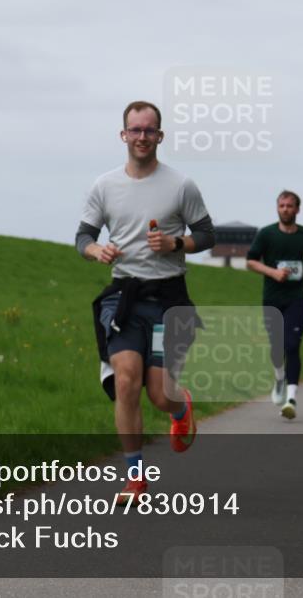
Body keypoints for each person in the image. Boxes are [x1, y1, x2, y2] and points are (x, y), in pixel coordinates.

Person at [76, 100, 216, 503]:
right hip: (124, 297)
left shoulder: (181, 185)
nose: (142, 137)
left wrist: (176, 243)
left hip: (169, 299)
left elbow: (207, 235)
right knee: (125, 381)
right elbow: (83, 237)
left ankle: (180, 407)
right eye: (135, 130)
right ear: (123, 135)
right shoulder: (104, 186)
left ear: (160, 135)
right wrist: (96, 251)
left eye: (149, 130)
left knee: (159, 394)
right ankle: (135, 477)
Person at [246, 190, 303, 420]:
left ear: (297, 209)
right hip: (272, 298)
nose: (285, 209)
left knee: (292, 345)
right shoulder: (267, 234)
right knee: (276, 348)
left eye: (289, 206)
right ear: (277, 208)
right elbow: (251, 261)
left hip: (296, 298)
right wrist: (273, 272)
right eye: (281, 205)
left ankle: (291, 399)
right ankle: (279, 378)